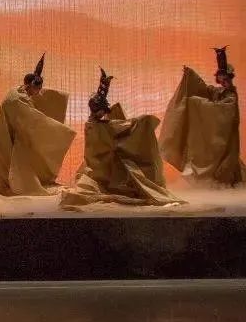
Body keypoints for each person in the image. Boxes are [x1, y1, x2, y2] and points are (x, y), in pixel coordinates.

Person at [61, 69, 181, 207]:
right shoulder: (98, 126)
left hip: (98, 165)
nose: (104, 113)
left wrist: (104, 88)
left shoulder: (94, 124)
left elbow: (114, 127)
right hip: (100, 168)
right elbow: (119, 128)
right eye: (103, 111)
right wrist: (139, 122)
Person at [0, 54, 76, 196]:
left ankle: (9, 184)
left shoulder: (17, 91)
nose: (39, 92)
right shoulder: (19, 99)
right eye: (38, 88)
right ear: (30, 85)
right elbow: (34, 119)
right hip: (9, 132)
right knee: (11, 159)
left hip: (9, 130)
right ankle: (12, 185)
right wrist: (59, 130)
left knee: (8, 157)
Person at [159, 47, 244, 186]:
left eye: (225, 78)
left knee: (225, 160)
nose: (223, 81)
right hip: (214, 137)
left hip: (225, 138)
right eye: (221, 78)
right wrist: (190, 76)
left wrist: (197, 103)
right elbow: (204, 89)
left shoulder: (231, 96)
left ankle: (222, 180)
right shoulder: (219, 91)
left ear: (229, 78)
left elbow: (221, 111)